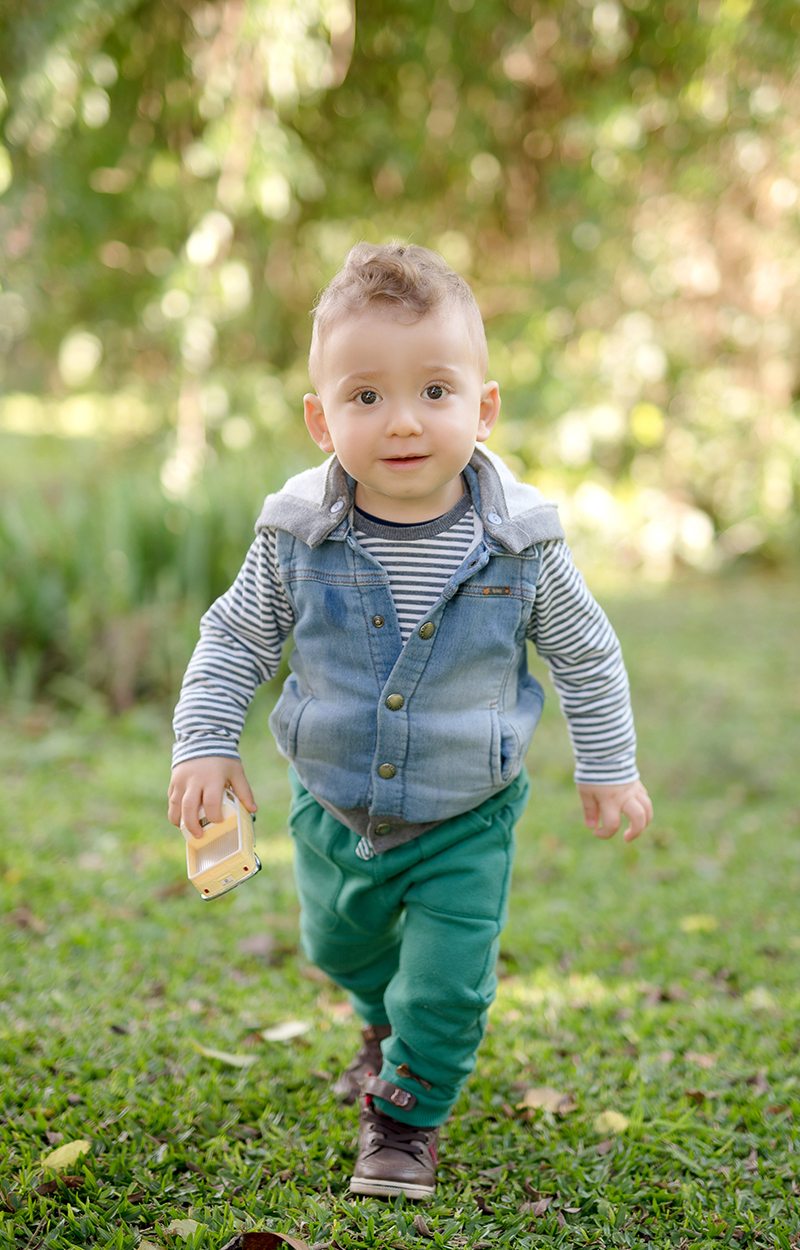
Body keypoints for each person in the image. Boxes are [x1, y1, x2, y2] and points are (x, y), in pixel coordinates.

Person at [168, 242, 653, 1200]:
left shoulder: (523, 545)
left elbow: (587, 653)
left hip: (465, 814)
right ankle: (377, 1024)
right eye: (366, 397)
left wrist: (608, 764)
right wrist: (207, 739)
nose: (403, 421)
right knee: (339, 946)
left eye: (435, 391)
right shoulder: (295, 537)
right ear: (319, 419)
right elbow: (234, 639)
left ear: (484, 407)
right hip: (332, 805)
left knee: (444, 986)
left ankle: (403, 1122)